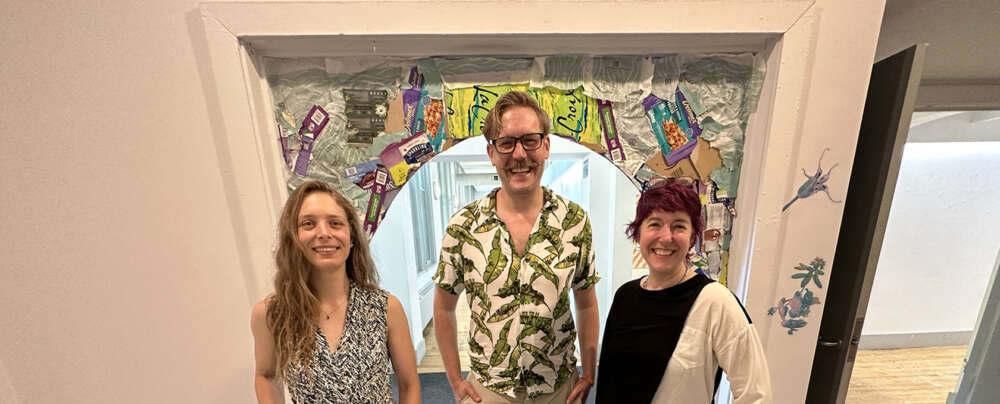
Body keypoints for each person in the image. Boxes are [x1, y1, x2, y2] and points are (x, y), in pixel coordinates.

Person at [433, 91, 601, 404]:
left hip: (557, 388)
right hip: (488, 390)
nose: (520, 154)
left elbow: (587, 301)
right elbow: (443, 306)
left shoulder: (574, 221)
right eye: (507, 143)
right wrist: (455, 379)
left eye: (530, 140)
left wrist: (589, 372)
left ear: (546, 146)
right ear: (491, 153)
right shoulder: (463, 226)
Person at [595, 178, 772, 403]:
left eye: (679, 225)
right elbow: (610, 383)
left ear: (692, 238)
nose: (666, 237)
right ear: (638, 233)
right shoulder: (626, 296)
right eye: (655, 224)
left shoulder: (714, 303)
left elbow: (757, 395)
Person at [250, 180, 420, 403]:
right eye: (309, 224)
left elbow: (409, 384)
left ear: (351, 237)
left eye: (335, 223)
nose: (324, 233)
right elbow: (266, 376)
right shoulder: (271, 314)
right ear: (293, 237)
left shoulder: (385, 308)